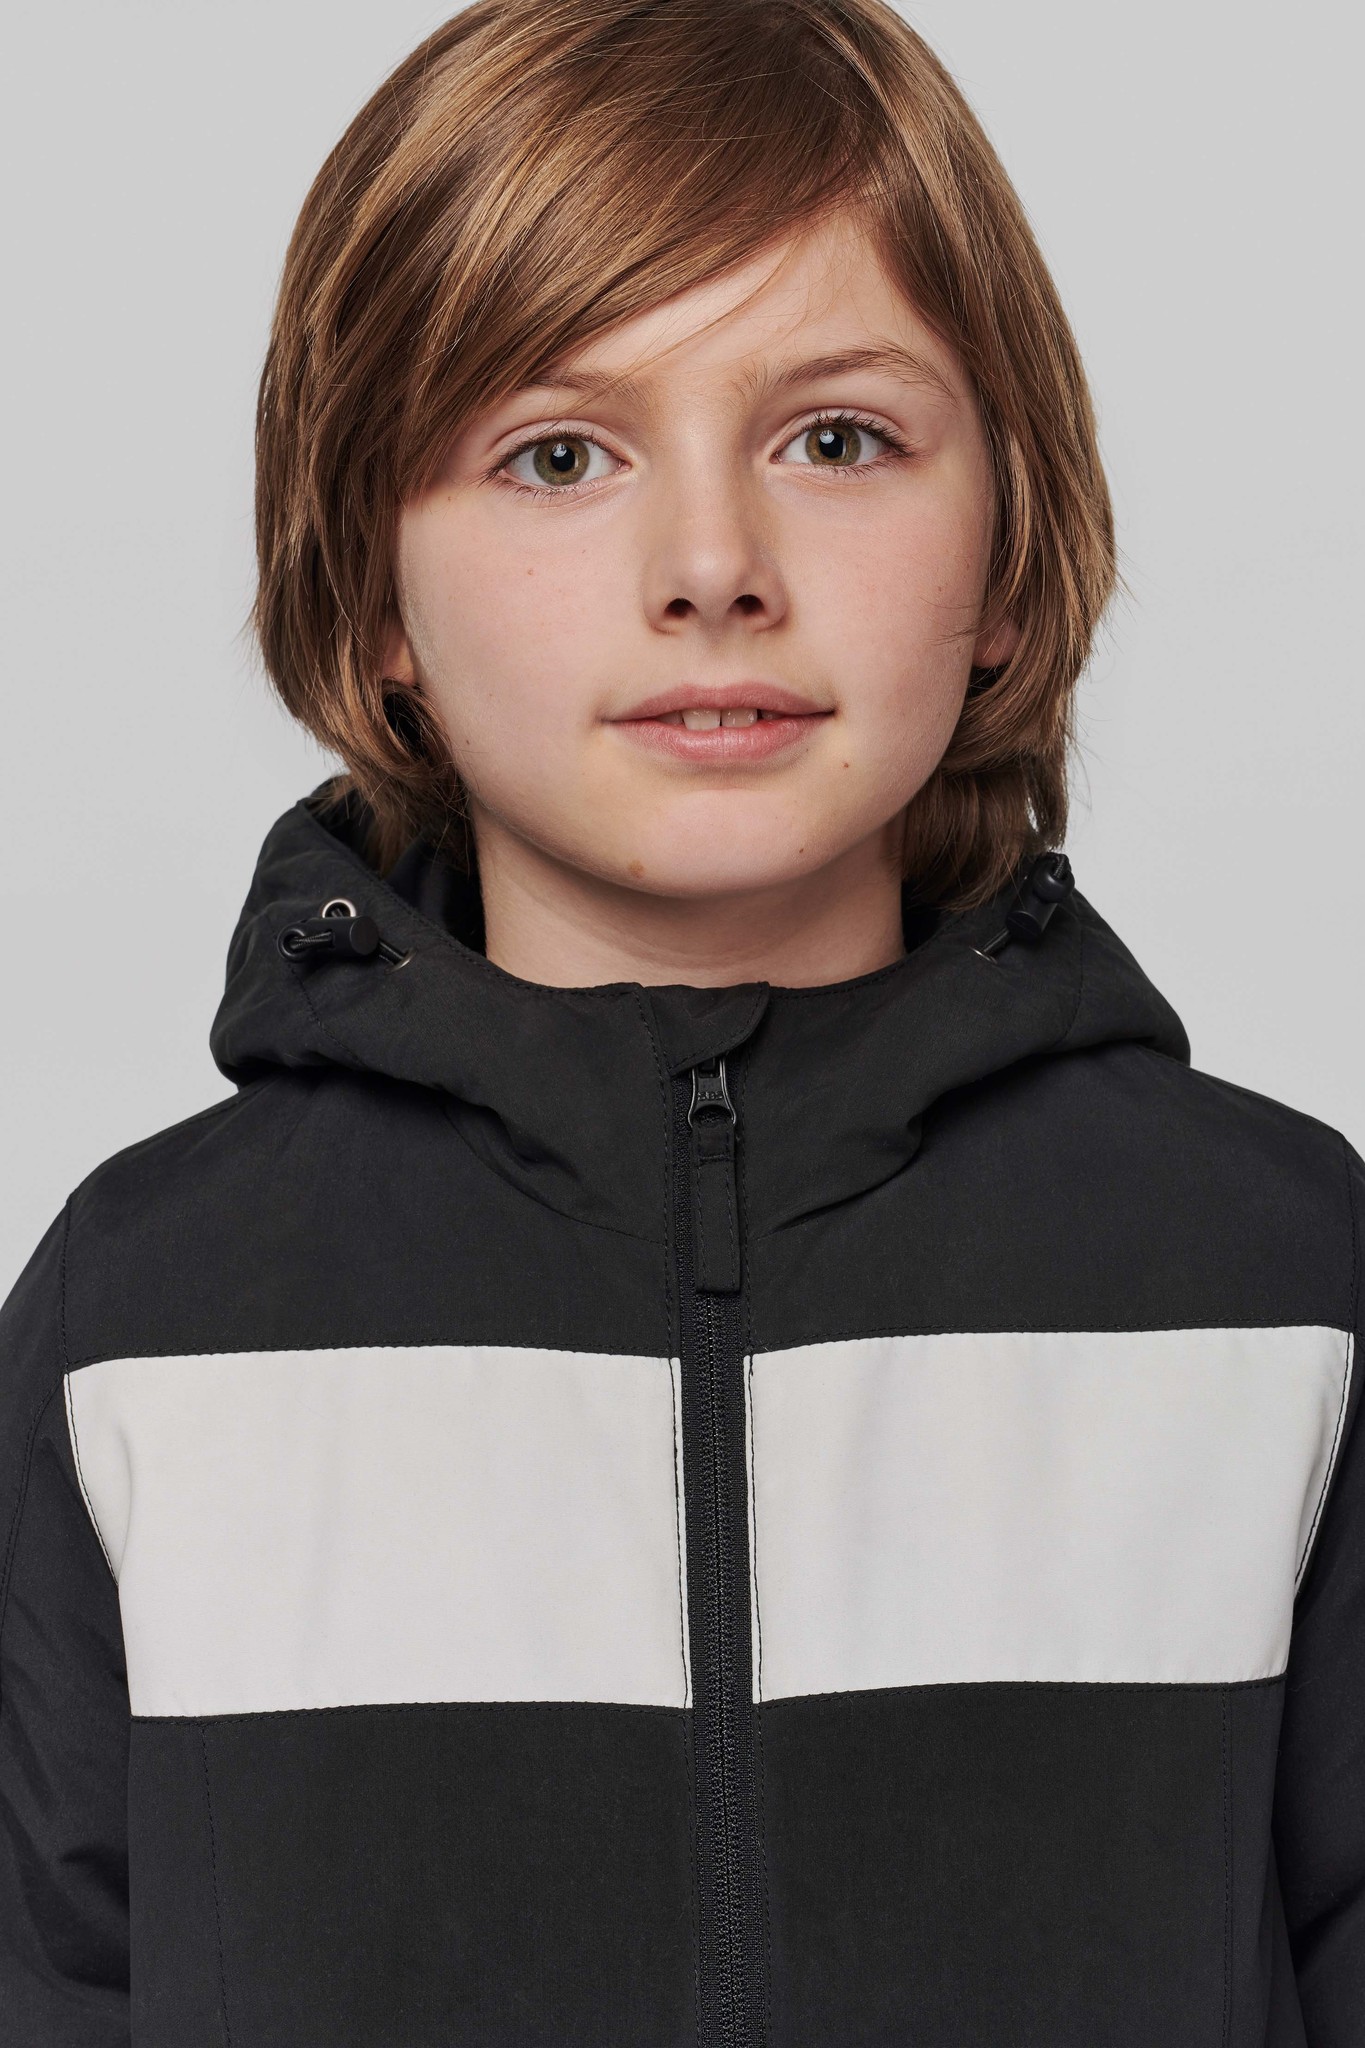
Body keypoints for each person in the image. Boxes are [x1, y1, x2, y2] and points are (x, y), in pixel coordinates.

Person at [1, 0, 1360, 2041]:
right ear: (371, 591)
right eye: (557, 454)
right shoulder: (146, 1321)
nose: (712, 566)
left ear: (1004, 548)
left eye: (837, 440)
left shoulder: (1275, 1281)